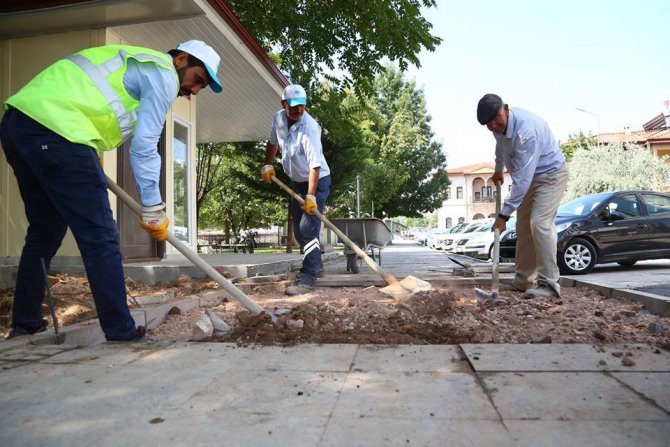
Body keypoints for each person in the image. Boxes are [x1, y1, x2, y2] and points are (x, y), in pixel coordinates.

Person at [0, 40, 223, 340]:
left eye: (202, 87)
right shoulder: (164, 74)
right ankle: (122, 333)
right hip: (59, 130)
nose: (195, 91)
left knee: (45, 230)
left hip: (18, 125)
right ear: (181, 59)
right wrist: (153, 208)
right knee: (101, 236)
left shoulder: (135, 61)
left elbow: (97, 102)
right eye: (198, 80)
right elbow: (144, 147)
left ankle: (25, 324)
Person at [477, 93, 569, 298]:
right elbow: (500, 148)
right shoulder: (497, 127)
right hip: (530, 178)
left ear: (506, 109)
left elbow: (522, 179)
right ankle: (524, 281)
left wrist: (503, 215)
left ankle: (550, 285)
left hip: (550, 175)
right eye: (488, 124)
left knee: (539, 224)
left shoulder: (527, 132)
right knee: (523, 227)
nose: (492, 125)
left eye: (495, 119)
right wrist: (499, 169)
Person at [261, 84, 331, 296]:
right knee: (300, 231)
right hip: (298, 182)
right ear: (283, 104)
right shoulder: (279, 118)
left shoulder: (309, 128)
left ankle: (308, 277)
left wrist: (311, 195)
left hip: (317, 181)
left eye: (302, 106)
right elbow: (272, 142)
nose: (298, 110)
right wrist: (268, 164)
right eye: (293, 106)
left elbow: (315, 166)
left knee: (308, 229)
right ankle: (316, 264)